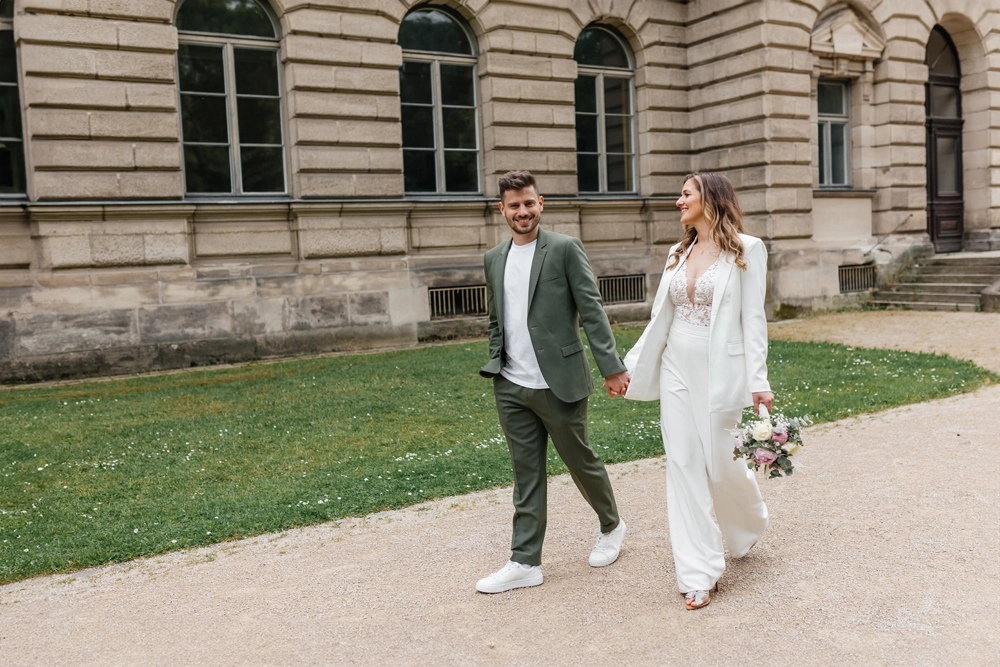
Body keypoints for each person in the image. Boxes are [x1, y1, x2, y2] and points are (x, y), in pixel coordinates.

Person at [475, 170, 631, 594]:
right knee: (526, 474)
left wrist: (611, 366)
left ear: (540, 203)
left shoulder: (563, 249)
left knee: (579, 460)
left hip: (558, 381)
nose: (522, 212)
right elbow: (495, 318)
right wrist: (496, 359)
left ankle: (612, 525)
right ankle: (525, 561)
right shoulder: (494, 258)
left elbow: (592, 310)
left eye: (529, 203)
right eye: (514, 205)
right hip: (510, 384)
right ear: (501, 209)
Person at [623, 172, 773, 610]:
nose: (678, 202)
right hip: (676, 367)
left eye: (685, 194)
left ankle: (748, 521)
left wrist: (758, 381)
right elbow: (660, 319)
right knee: (683, 464)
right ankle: (699, 572)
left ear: (710, 198)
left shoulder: (747, 250)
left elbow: (754, 321)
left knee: (720, 464)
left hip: (719, 370)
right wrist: (631, 368)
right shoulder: (677, 251)